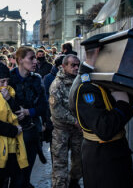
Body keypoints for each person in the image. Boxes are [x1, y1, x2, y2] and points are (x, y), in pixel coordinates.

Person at [68, 33, 133, 188]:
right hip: (103, 160)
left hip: (113, 155)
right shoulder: (88, 86)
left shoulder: (99, 78)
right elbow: (104, 129)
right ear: (100, 52)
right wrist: (123, 104)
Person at [9, 46, 49, 188]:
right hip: (13, 134)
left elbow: (44, 106)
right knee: (16, 176)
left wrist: (28, 112)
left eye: (35, 58)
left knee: (26, 174)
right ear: (20, 60)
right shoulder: (8, 79)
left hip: (32, 133)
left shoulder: (37, 79)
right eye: (31, 58)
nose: (35, 61)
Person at [49, 55, 82, 188]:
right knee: (60, 165)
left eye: (77, 65)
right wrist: (74, 121)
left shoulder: (79, 81)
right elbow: (57, 110)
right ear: (64, 66)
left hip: (77, 131)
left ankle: (74, 182)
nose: (76, 67)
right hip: (61, 131)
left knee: (79, 162)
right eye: (72, 65)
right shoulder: (57, 84)